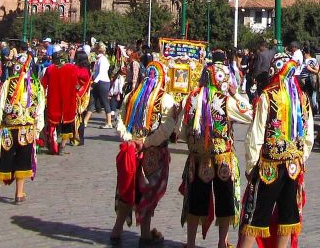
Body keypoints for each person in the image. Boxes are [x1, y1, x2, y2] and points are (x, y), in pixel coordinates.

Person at [237, 53, 314, 247]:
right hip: (293, 167)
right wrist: (299, 157)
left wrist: (251, 165)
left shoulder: (267, 96)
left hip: (269, 166)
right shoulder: (302, 98)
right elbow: (308, 136)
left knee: (255, 216)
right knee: (287, 218)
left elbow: (256, 134)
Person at [178, 58, 253, 248]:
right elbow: (250, 114)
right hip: (222, 159)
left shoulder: (190, 98)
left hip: (197, 158)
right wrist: (236, 95)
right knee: (225, 200)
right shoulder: (226, 101)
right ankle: (222, 242)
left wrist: (193, 143)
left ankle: (191, 242)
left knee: (195, 200)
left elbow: (181, 129)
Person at [110, 58, 178, 247]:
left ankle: (117, 230)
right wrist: (146, 142)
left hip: (131, 150)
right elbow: (167, 127)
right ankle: (145, 235)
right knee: (148, 192)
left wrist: (129, 139)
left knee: (127, 187)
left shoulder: (132, 95)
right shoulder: (165, 99)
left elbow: (119, 120)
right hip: (153, 153)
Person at [0, 52, 45, 205]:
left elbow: (1, 105)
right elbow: (40, 109)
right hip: (27, 129)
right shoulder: (37, 85)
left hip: (9, 127)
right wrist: (38, 129)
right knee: (23, 159)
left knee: (3, 159)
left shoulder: (9, 83)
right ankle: (19, 193)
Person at [41, 49, 91, 154]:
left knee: (52, 124)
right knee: (66, 124)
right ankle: (62, 146)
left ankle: (52, 145)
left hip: (53, 100)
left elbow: (43, 85)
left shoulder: (50, 69)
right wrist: (77, 87)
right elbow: (82, 80)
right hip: (68, 101)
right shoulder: (72, 68)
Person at [85, 43, 114, 129]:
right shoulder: (99, 59)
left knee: (104, 102)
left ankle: (109, 122)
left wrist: (94, 82)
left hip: (102, 82)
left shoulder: (102, 59)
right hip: (99, 82)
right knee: (92, 101)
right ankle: (85, 120)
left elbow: (101, 73)